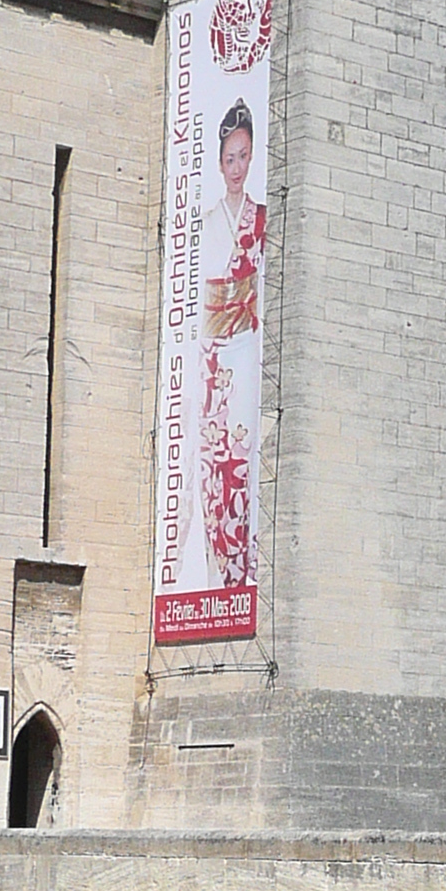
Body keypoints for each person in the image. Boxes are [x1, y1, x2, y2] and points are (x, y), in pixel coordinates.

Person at [196, 101, 264, 589]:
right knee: (214, 461)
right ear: (220, 164)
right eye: (230, 158)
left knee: (242, 457)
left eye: (243, 156)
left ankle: (244, 564)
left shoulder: (261, 218)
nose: (237, 167)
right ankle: (218, 564)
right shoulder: (208, 222)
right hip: (214, 351)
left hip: (248, 347)